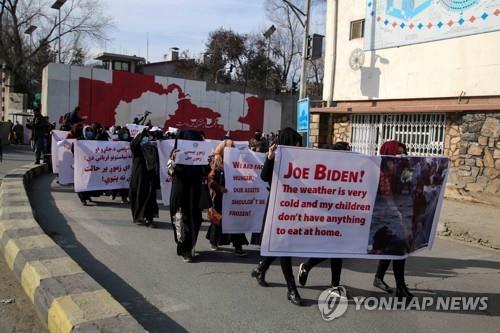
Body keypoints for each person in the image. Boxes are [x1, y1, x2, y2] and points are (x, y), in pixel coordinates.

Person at [251, 127, 304, 306]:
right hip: (277, 207)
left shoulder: (299, 158)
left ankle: (261, 268)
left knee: (280, 244)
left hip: (293, 208)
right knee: (284, 247)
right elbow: (265, 176)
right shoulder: (276, 155)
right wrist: (270, 158)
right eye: (295, 143)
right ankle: (291, 289)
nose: (298, 146)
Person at [297, 141, 351, 289]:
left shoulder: (348, 169)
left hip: (341, 213)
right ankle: (308, 266)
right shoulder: (326, 168)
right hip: (326, 214)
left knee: (337, 250)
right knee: (332, 249)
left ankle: (334, 284)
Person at [372, 140, 414, 299]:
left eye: (404, 152)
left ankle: (379, 278)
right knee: (397, 248)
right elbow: (387, 195)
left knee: (394, 249)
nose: (401, 156)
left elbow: (409, 187)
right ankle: (401, 286)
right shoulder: (380, 172)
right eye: (398, 153)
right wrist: (398, 213)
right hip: (385, 217)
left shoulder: (404, 169)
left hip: (400, 213)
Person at [168, 130, 209, 263]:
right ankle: (184, 247)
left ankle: (189, 247)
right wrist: (174, 159)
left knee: (194, 219)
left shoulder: (200, 154)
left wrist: (209, 164)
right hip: (180, 190)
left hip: (195, 190)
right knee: (180, 218)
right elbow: (170, 171)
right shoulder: (175, 153)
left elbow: (204, 172)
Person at [205, 139, 249, 256]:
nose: (231, 150)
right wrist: (220, 189)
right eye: (229, 148)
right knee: (217, 220)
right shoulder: (216, 163)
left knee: (235, 220)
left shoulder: (237, 162)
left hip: (233, 197)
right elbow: (210, 180)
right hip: (220, 197)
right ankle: (214, 241)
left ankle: (238, 246)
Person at [129, 128, 160, 227]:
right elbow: (133, 144)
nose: (145, 138)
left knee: (150, 196)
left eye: (147, 137)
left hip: (149, 176)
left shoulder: (152, 148)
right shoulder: (137, 149)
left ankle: (149, 218)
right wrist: (141, 133)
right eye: (143, 137)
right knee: (139, 196)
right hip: (138, 178)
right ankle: (139, 216)